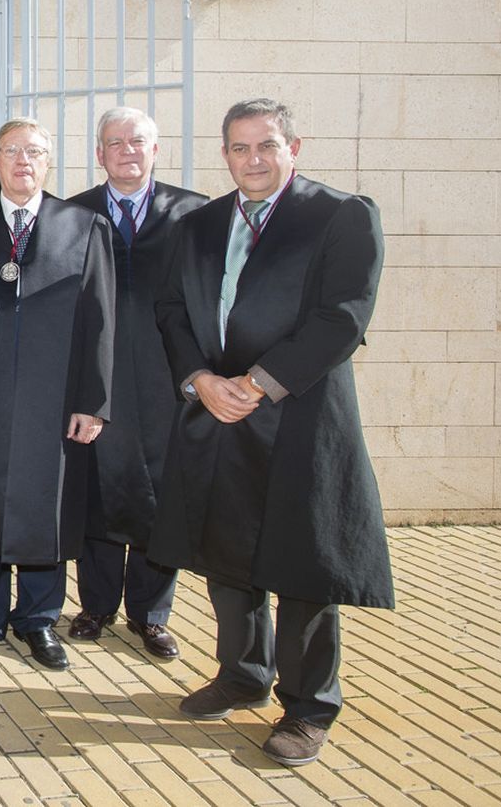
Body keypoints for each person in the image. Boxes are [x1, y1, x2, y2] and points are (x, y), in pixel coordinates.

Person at [151, 98, 389, 768]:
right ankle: (242, 673)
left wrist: (257, 382)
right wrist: (200, 379)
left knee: (302, 562)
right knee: (225, 555)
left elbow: (343, 316)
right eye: (239, 147)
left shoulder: (340, 215)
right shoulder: (199, 224)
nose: (252, 159)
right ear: (224, 154)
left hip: (300, 413)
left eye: (266, 145)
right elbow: (171, 309)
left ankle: (309, 705)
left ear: (294, 147)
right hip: (217, 414)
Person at [0, 118, 113, 677]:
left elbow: (101, 318)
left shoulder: (83, 224)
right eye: (11, 151)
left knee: (48, 505)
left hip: (54, 396)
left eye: (34, 152)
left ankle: (39, 619)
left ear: (48, 161)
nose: (23, 161)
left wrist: (94, 401)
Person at [64, 108, 205, 659]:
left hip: (166, 377)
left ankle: (151, 614)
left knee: (159, 494)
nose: (127, 150)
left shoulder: (194, 214)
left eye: (137, 141)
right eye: (115, 142)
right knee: (99, 491)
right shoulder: (75, 214)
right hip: (97, 377)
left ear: (155, 149)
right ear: (99, 153)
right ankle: (96, 605)